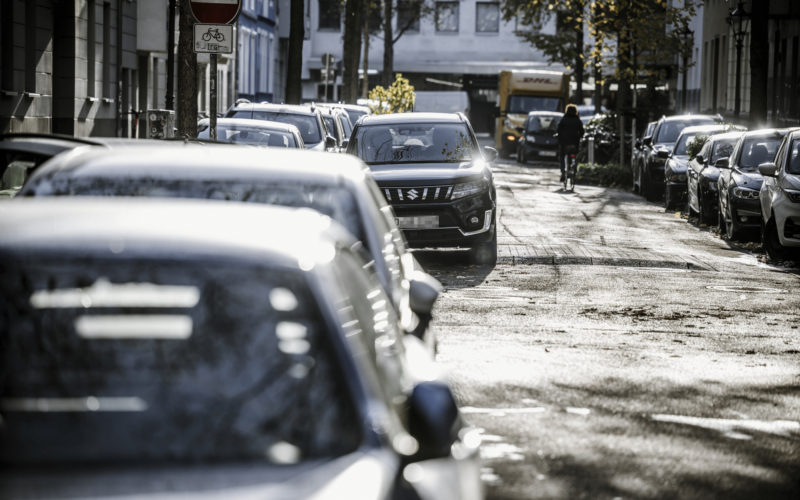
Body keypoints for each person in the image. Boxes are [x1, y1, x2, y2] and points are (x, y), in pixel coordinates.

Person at [556, 104, 585, 181]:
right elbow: (582, 131)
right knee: (574, 155)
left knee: (562, 156)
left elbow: (558, 129)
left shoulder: (564, 119)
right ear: (576, 111)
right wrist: (581, 136)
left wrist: (558, 136)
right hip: (575, 143)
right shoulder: (577, 120)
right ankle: (574, 170)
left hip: (564, 143)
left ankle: (563, 171)